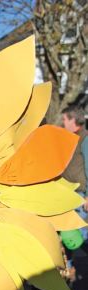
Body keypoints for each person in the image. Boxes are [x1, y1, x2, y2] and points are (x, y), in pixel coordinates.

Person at [62, 106, 88, 261]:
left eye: (65, 119)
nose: (63, 122)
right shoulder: (71, 138)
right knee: (69, 235)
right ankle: (67, 271)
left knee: (78, 237)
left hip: (80, 196)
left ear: (73, 120)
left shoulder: (85, 139)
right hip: (69, 194)